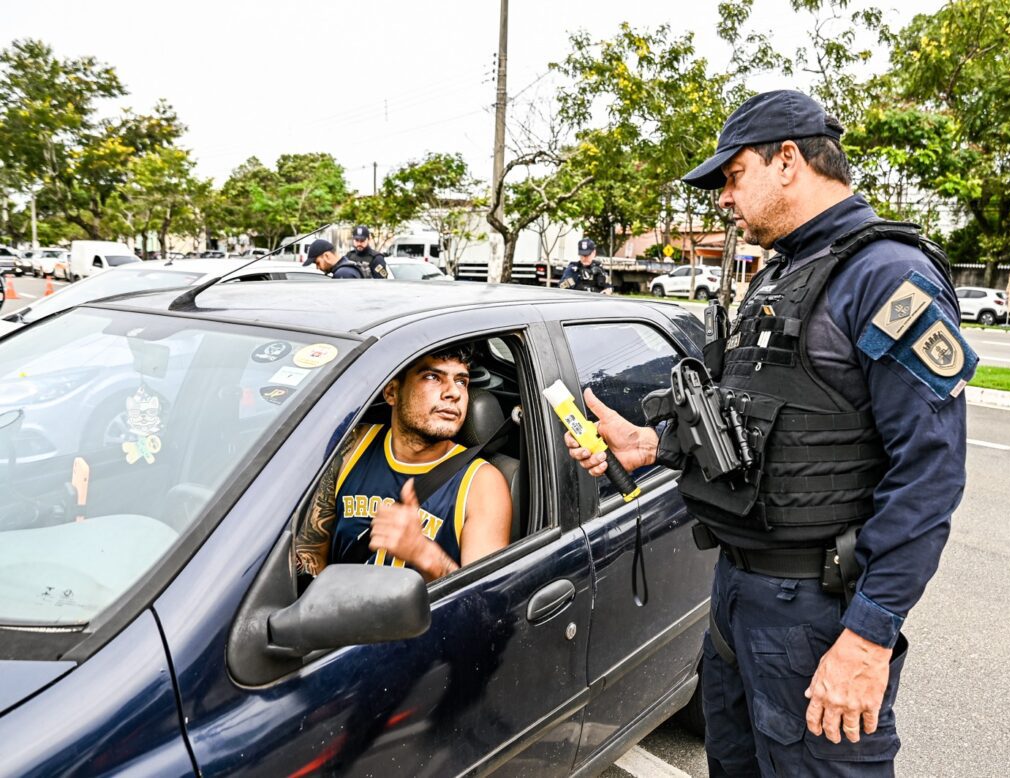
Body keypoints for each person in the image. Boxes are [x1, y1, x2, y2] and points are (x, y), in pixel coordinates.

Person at [564, 89, 974, 777]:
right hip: (738, 596)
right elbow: (761, 429)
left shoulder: (886, 276)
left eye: (732, 176)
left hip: (818, 612)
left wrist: (868, 638)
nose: (724, 198)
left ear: (788, 160)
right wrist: (651, 448)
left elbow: (930, 477)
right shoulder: (783, 273)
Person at [295, 345, 512, 581]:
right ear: (391, 392)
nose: (454, 393)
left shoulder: (482, 483)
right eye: (433, 377)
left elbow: (483, 604)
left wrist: (426, 555)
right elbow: (311, 551)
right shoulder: (352, 446)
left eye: (461, 381)